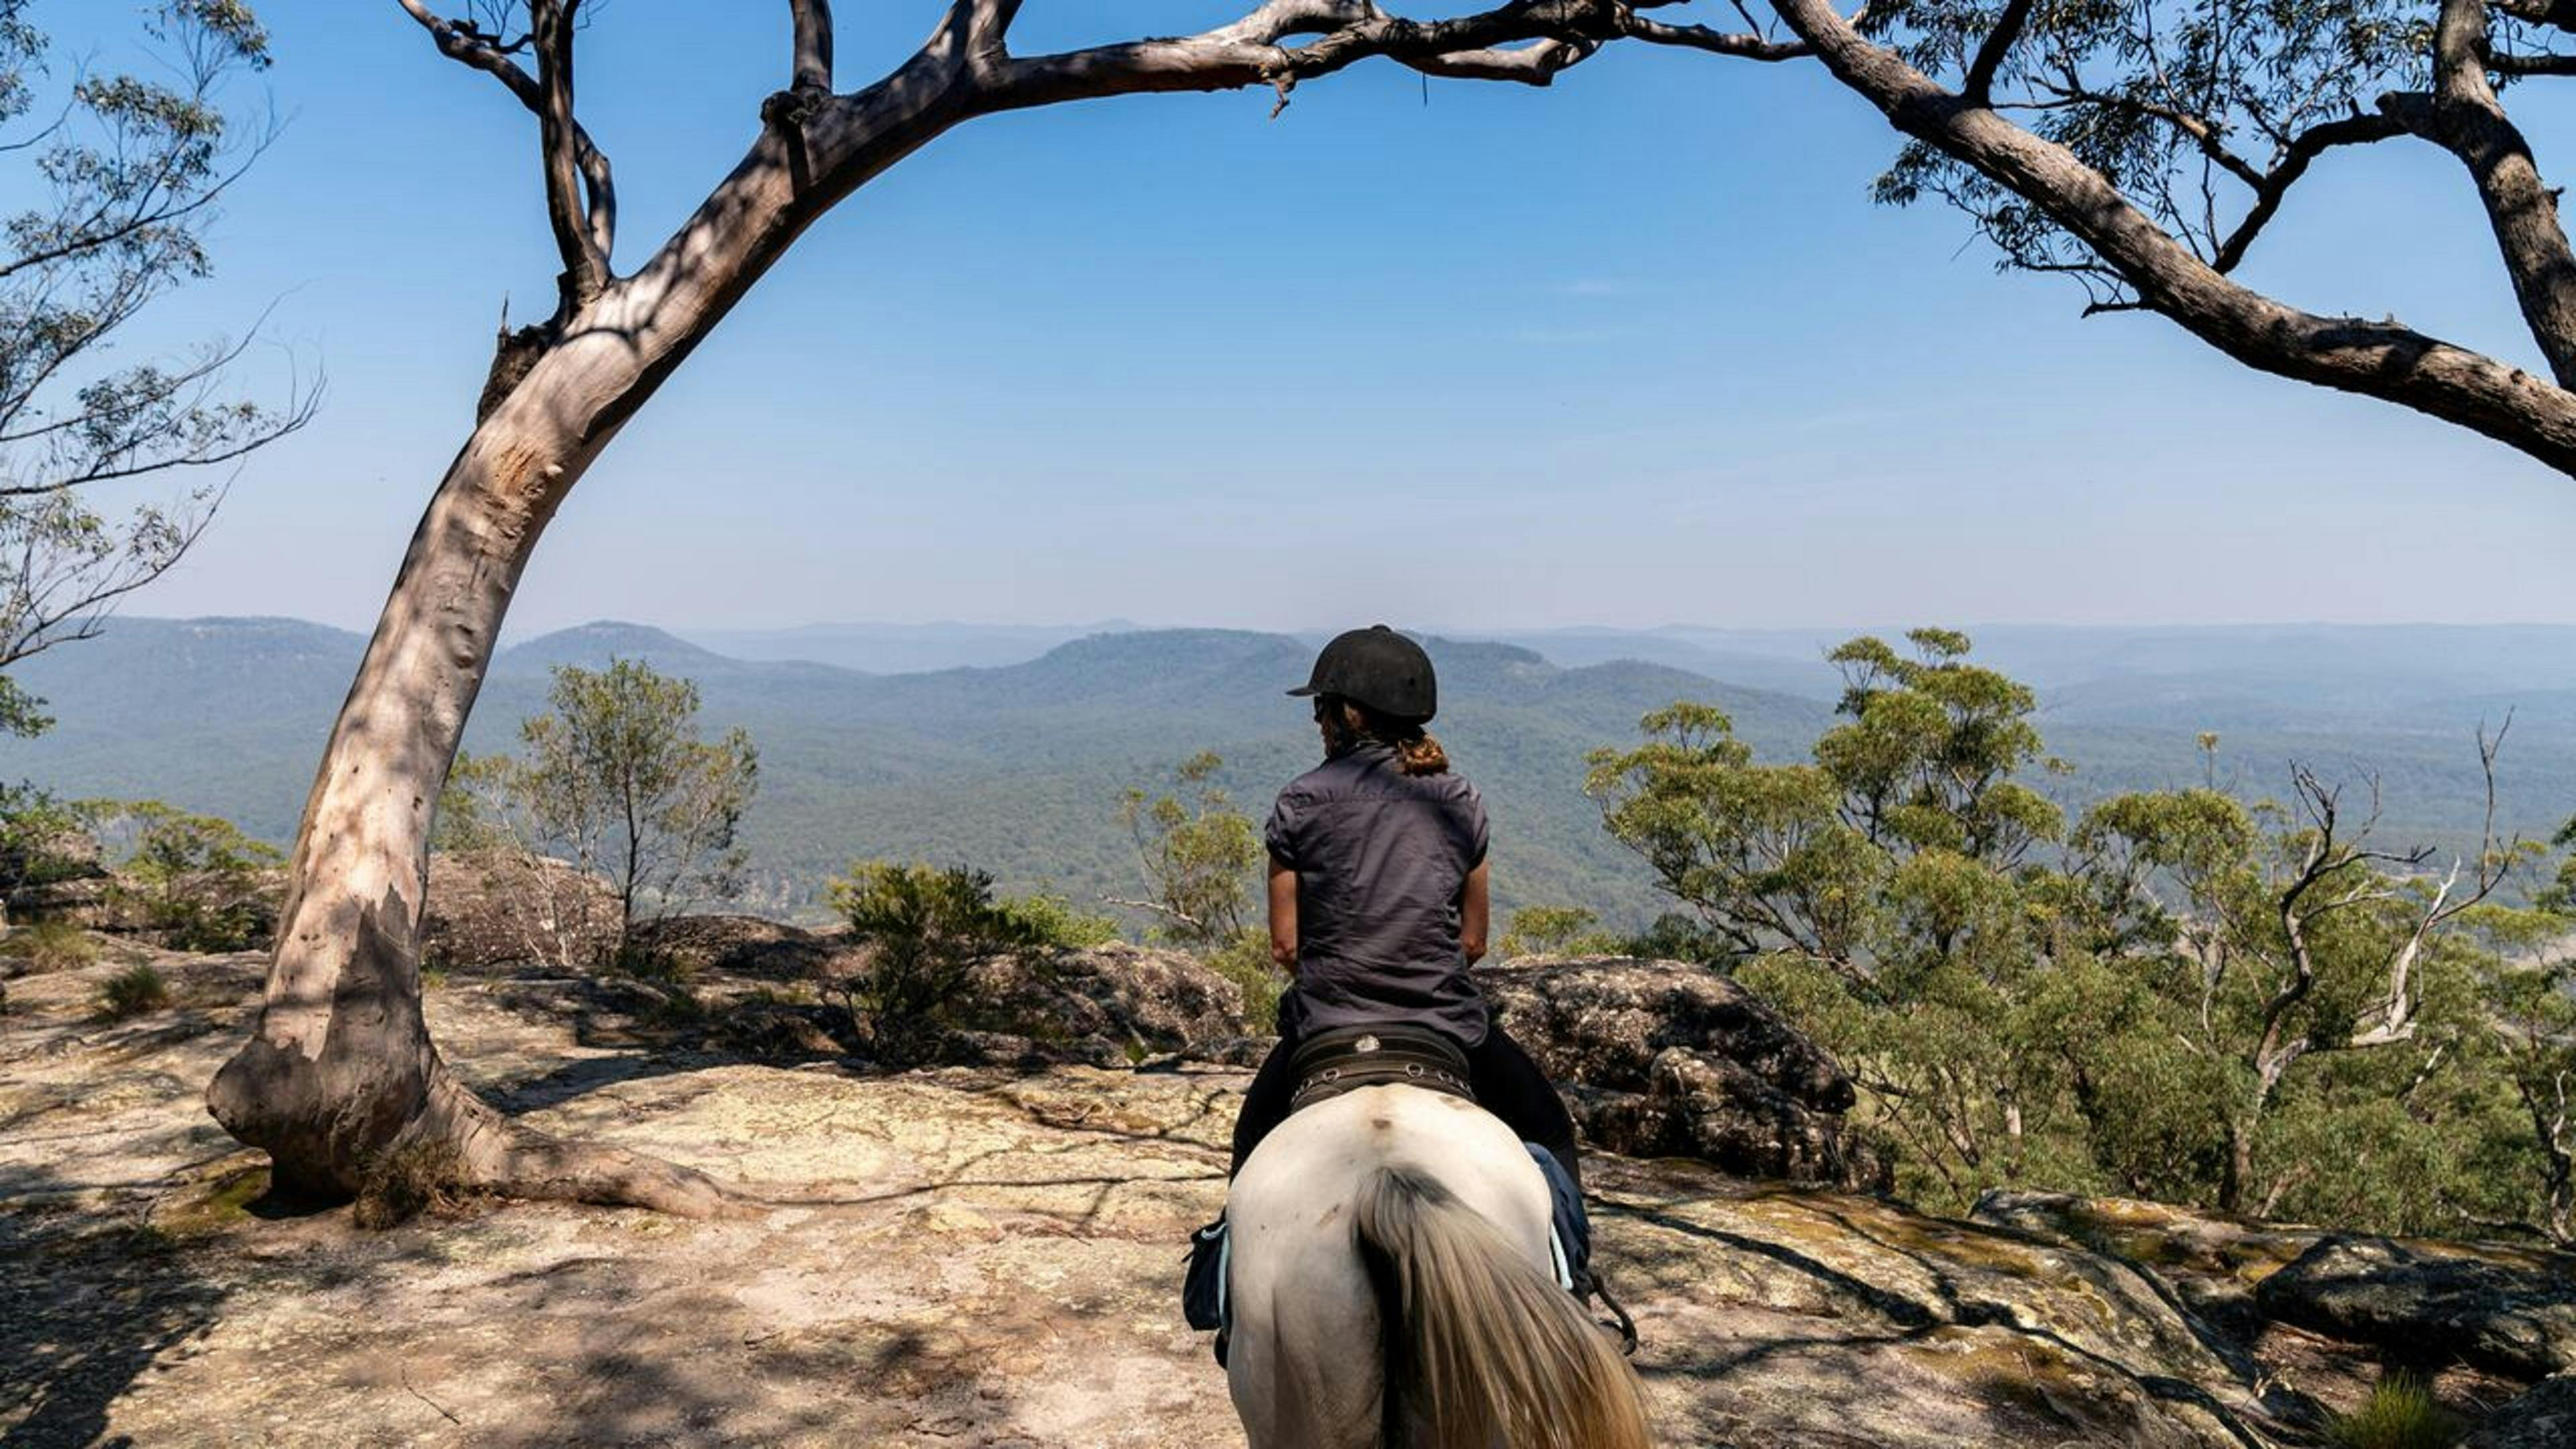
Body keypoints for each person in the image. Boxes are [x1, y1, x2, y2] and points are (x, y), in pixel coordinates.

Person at [1185, 625, 1593, 1358]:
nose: (1316, 721)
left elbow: (1284, 945)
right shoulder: (1460, 800)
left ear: (1354, 716)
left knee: (1251, 1149)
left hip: (1329, 1030)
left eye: (1323, 708)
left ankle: (1228, 1307)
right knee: (1552, 1134)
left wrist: (1342, 974)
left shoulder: (1301, 801)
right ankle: (1573, 1287)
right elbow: (1473, 941)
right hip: (1444, 1028)